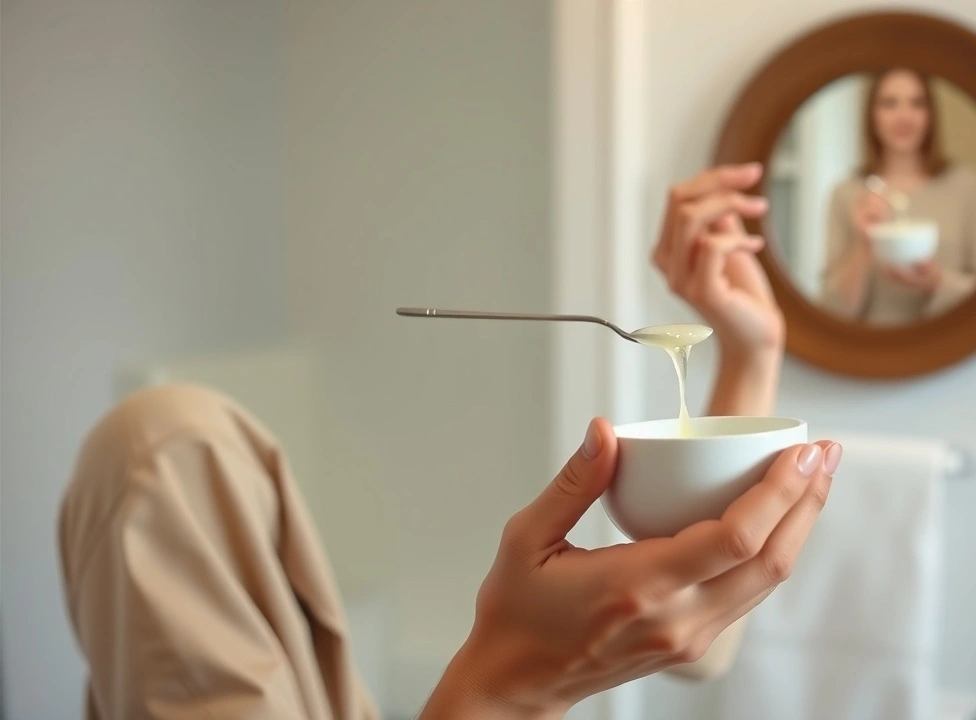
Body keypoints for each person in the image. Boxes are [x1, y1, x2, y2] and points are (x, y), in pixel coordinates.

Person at [58, 163, 843, 720]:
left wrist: (751, 351)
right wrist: (506, 687)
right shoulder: (172, 458)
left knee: (160, 440)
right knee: (164, 439)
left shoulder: (164, 462)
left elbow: (693, 640)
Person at [819, 67, 976, 326]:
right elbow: (833, 312)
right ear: (872, 115)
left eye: (917, 103)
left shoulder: (967, 186)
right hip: (871, 353)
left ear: (931, 114)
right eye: (889, 104)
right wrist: (864, 244)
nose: (904, 117)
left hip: (954, 346)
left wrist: (940, 282)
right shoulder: (847, 194)